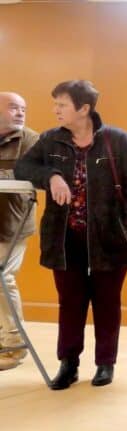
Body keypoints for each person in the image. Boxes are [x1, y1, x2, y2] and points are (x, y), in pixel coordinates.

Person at [15, 80, 127, 389]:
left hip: (110, 237)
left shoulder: (115, 140)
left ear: (84, 108)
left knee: (107, 301)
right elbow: (25, 167)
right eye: (56, 105)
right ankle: (69, 363)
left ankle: (105, 364)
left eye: (62, 105)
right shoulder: (51, 140)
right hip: (65, 238)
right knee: (70, 302)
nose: (55, 110)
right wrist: (51, 176)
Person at [0, 92, 38, 371]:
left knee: (2, 278)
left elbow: (31, 175)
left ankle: (15, 345)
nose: (20, 113)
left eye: (23, 108)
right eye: (14, 108)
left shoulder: (30, 140)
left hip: (12, 224)